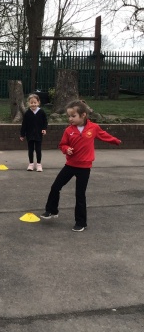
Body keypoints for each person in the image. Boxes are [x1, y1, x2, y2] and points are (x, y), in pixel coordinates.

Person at [40, 99, 121, 232]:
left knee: (80, 194)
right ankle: (51, 210)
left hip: (84, 168)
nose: (70, 119)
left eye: (73, 116)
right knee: (55, 187)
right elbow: (62, 145)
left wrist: (116, 141)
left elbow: (104, 136)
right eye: (69, 116)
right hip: (70, 165)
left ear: (83, 115)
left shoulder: (93, 128)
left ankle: (81, 222)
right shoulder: (68, 130)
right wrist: (67, 149)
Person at [20, 93, 48, 172]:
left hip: (38, 134)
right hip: (29, 134)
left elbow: (45, 122)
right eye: (31, 103)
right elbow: (24, 124)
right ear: (29, 103)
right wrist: (22, 134)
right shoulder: (27, 113)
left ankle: (39, 164)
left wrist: (44, 129)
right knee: (30, 150)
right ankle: (31, 164)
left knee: (38, 150)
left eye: (35, 102)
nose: (33, 104)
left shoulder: (41, 112)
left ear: (38, 102)